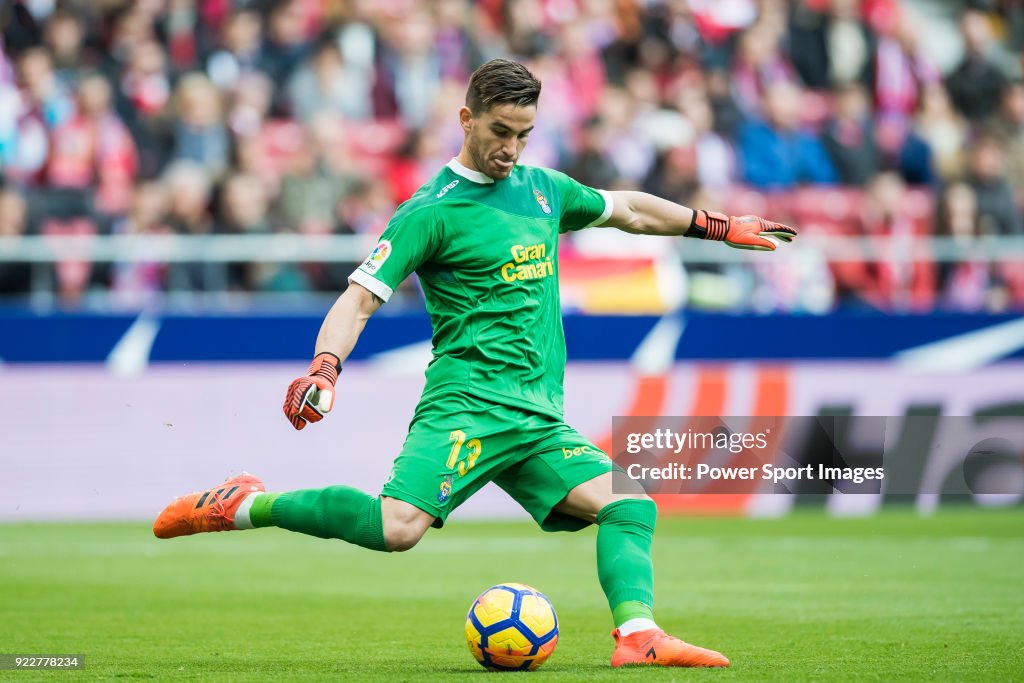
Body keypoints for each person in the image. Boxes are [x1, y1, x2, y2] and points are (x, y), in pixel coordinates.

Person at [153, 59, 797, 669]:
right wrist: (325, 367)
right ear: (466, 120)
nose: (511, 148)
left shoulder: (543, 191)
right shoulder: (428, 213)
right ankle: (244, 504)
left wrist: (714, 226)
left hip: (538, 416)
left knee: (631, 504)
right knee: (397, 527)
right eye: (498, 131)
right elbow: (358, 299)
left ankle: (638, 636)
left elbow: (627, 207)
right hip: (467, 403)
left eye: (523, 134)